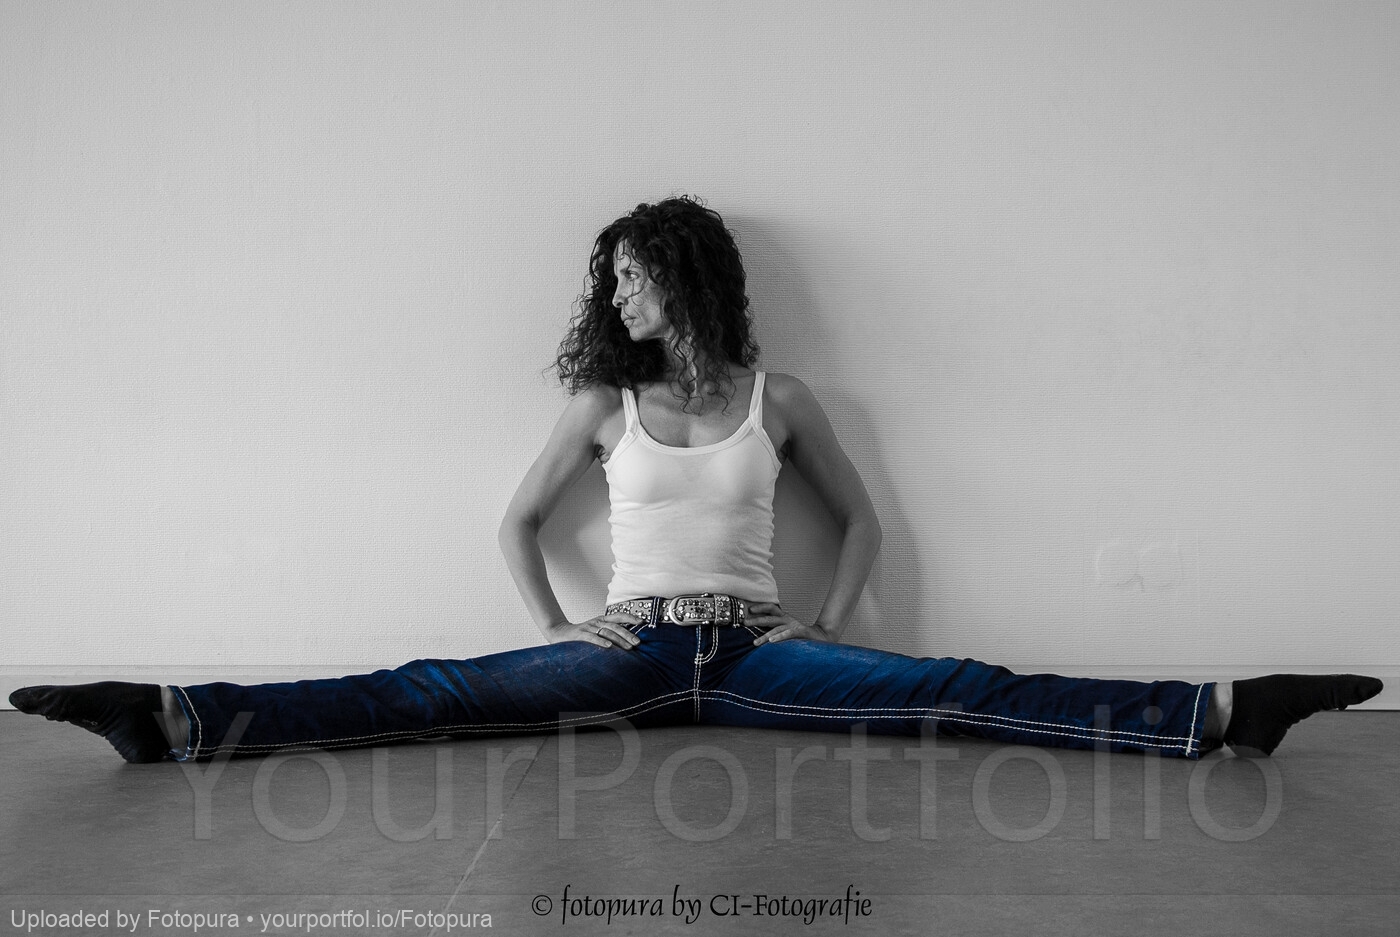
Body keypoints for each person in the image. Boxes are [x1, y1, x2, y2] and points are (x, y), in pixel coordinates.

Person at [10, 196, 1381, 765]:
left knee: (962, 687)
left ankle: (1221, 712)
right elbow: (516, 522)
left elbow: (863, 519)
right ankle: (171, 719)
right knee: (430, 692)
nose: (615, 294)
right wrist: (565, 625)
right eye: (608, 279)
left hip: (763, 654)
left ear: (683, 276)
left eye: (631, 272)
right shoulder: (601, 404)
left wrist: (827, 620)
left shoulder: (782, 399)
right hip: (626, 649)